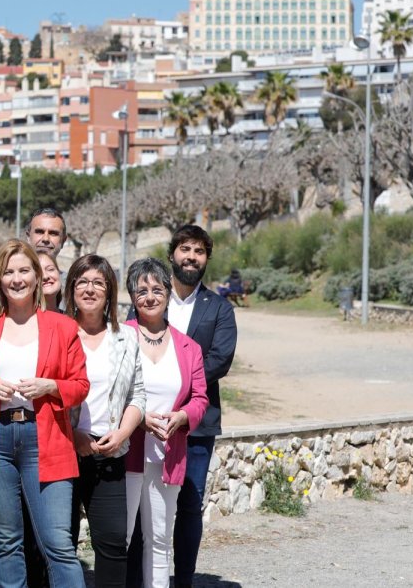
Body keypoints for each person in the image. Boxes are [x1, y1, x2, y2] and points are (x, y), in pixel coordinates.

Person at [0, 239, 88, 588]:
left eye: (23, 270)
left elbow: (80, 385)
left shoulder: (62, 327)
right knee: (5, 542)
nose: (16, 279)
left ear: (36, 276)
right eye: (8, 272)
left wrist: (51, 386)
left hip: (46, 438)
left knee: (57, 543)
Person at [123, 258, 208, 588]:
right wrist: (139, 418)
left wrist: (183, 416)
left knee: (159, 540)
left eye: (157, 289)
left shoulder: (189, 348)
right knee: (121, 538)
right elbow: (110, 393)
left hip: (167, 454)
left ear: (168, 293)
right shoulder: (120, 338)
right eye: (141, 290)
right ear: (132, 297)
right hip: (126, 453)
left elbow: (200, 397)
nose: (150, 297)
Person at [164, 225, 237, 588]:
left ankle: (183, 580)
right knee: (148, 505)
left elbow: (219, 359)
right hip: (151, 420)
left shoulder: (219, 308)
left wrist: (178, 386)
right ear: (172, 254)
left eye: (199, 251)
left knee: (189, 505)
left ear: (206, 259)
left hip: (197, 422)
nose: (191, 257)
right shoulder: (151, 299)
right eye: (185, 249)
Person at [66, 255, 145, 588]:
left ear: (109, 291)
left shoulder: (126, 337)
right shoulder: (59, 331)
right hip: (64, 453)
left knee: (113, 544)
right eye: (83, 282)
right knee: (60, 544)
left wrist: (123, 432)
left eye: (98, 283)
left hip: (110, 453)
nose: (90, 289)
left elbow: (138, 395)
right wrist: (74, 435)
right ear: (71, 289)